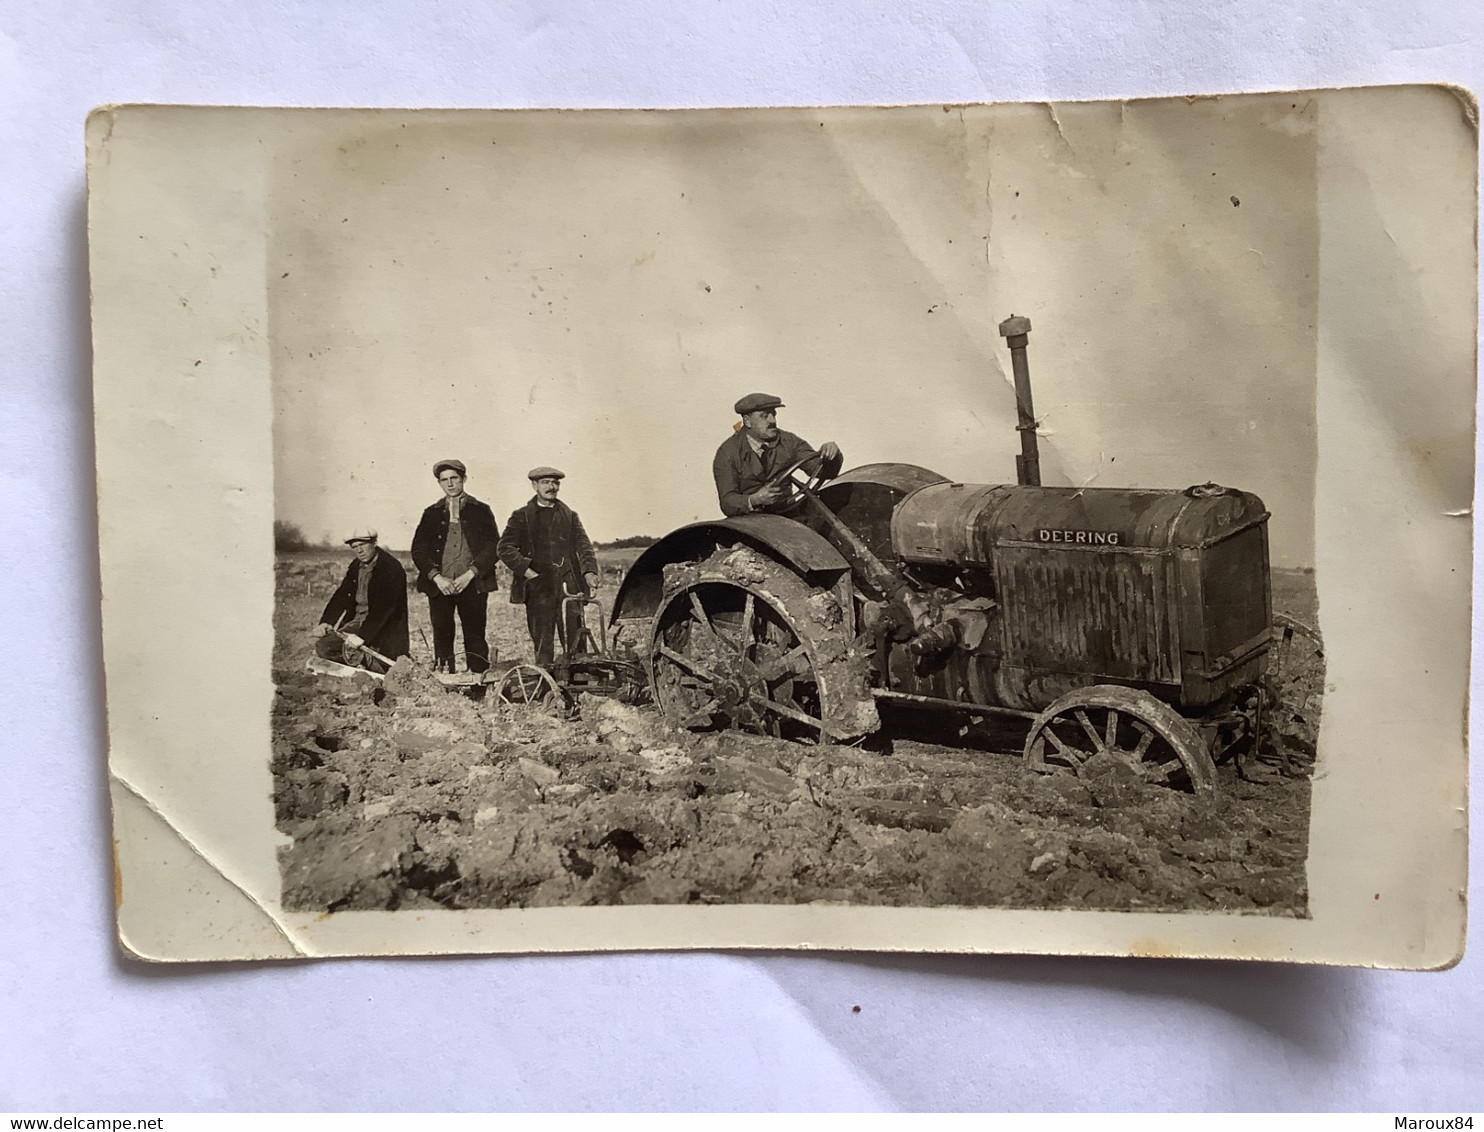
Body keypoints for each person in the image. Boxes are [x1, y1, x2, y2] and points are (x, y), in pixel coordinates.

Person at [497, 467, 600, 667]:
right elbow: (504, 548)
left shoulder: (569, 515)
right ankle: (545, 681)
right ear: (535, 486)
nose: (551, 487)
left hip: (568, 582)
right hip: (538, 585)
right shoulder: (521, 516)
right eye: (545, 482)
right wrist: (527, 571)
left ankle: (576, 677)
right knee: (543, 638)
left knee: (575, 633)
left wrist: (589, 571)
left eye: (555, 483)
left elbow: (584, 545)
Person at [410, 459, 501, 674]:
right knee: (442, 631)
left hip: (472, 584)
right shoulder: (431, 513)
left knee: (475, 633)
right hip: (440, 585)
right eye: (444, 480)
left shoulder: (481, 510)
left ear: (464, 479)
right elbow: (418, 549)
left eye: (454, 479)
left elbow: (494, 546)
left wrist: (471, 573)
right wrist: (436, 577)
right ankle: (446, 678)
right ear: (439, 483)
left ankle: (479, 680)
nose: (450, 484)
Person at [712, 393, 843, 517]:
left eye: (773, 414)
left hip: (787, 514)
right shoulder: (727, 453)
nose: (772, 420)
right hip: (748, 521)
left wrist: (832, 455)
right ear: (747, 421)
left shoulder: (789, 441)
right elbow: (727, 502)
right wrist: (755, 499)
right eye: (764, 416)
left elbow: (822, 472)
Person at [311, 527, 410, 673]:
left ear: (374, 543)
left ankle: (366, 669)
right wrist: (327, 621)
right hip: (357, 622)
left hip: (384, 627)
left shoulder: (390, 568)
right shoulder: (356, 566)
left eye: (362, 545)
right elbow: (342, 595)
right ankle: (357, 667)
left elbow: (384, 609)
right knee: (324, 647)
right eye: (355, 547)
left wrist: (362, 636)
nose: (359, 551)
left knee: (382, 665)